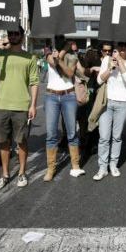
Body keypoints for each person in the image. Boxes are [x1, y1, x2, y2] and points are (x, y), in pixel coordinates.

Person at [0, 26, 39, 190]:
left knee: (21, 142)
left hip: (21, 106)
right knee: (3, 143)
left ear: (22, 36)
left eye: (16, 34)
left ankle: (22, 173)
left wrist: (33, 105)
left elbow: (34, 82)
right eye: (11, 34)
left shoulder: (30, 57)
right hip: (1, 105)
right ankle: (5, 175)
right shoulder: (0, 55)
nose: (13, 36)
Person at [93, 42, 126, 180]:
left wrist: (119, 60)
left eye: (125, 46)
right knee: (104, 137)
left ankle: (113, 164)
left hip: (123, 102)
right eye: (119, 46)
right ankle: (102, 167)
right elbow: (99, 80)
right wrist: (110, 68)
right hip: (107, 101)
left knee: (117, 137)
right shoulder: (106, 60)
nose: (122, 48)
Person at [44, 38, 85, 180]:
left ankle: (75, 165)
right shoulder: (48, 50)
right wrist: (60, 53)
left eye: (62, 39)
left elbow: (69, 73)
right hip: (51, 96)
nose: (59, 40)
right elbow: (51, 63)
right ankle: (51, 168)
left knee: (72, 132)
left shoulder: (73, 56)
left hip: (69, 95)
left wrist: (61, 57)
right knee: (51, 133)